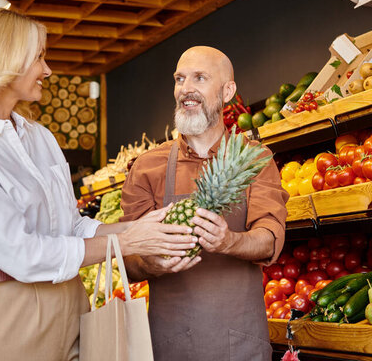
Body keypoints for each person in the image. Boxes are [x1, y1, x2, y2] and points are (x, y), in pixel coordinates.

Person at [0, 8, 197, 361]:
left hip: (73, 299)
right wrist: (127, 241)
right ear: (4, 60)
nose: (47, 69)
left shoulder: (40, 137)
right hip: (11, 311)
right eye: (39, 56)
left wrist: (144, 227)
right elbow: (19, 253)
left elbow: (70, 226)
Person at [120, 46, 289, 360]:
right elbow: (127, 257)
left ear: (227, 91)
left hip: (239, 343)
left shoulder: (254, 159)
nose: (186, 89)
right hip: (169, 345)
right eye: (180, 79)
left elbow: (269, 240)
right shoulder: (146, 167)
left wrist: (228, 241)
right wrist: (152, 263)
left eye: (200, 78)